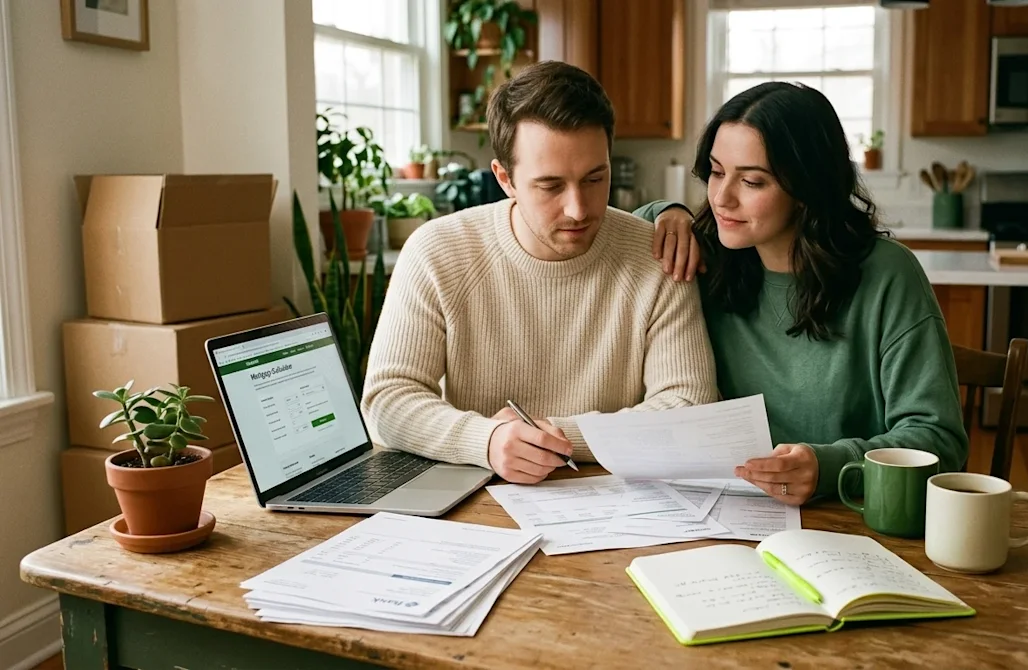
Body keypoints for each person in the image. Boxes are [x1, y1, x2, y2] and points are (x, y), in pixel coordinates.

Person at [361, 61, 719, 485]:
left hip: (615, 498)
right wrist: (488, 440)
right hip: (478, 496)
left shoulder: (657, 256)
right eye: (550, 186)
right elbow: (388, 400)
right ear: (505, 178)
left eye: (595, 178)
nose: (579, 209)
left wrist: (550, 438)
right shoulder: (437, 251)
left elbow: (689, 404)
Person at [633, 81, 968, 505]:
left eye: (751, 181)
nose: (721, 198)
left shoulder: (887, 275)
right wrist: (668, 212)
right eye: (716, 172)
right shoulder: (709, 256)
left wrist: (830, 466)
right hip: (726, 508)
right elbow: (624, 231)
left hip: (848, 521)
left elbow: (938, 440)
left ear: (807, 189)